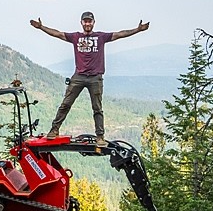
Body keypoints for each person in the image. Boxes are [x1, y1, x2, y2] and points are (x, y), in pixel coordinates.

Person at [30, 11, 149, 144]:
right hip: (79, 76)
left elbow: (120, 34)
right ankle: (54, 129)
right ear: (81, 23)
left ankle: (100, 136)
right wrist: (41, 27)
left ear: (93, 23)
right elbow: (57, 33)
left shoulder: (101, 37)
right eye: (85, 21)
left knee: (97, 108)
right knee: (66, 104)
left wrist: (138, 30)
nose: (87, 23)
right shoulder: (75, 37)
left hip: (95, 77)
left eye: (89, 21)